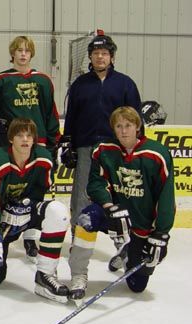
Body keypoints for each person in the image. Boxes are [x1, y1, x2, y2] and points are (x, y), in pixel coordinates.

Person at [67, 106, 175, 300]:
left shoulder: (157, 154)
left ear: (137, 127)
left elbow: (166, 197)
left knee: (137, 286)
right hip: (114, 216)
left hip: (141, 225)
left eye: (128, 125)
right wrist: (109, 206)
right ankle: (78, 275)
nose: (123, 130)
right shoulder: (104, 150)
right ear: (113, 129)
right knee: (86, 219)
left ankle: (126, 251)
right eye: (118, 126)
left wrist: (161, 233)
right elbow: (95, 184)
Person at [0, 118, 70, 304]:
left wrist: (26, 205)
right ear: (11, 138)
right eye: (19, 135)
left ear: (34, 139)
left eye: (29, 135)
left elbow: (39, 192)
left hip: (25, 213)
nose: (25, 139)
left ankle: (45, 276)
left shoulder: (43, 159)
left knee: (58, 212)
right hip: (2, 220)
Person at [0, 35, 61, 260]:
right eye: (19, 50)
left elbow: (50, 113)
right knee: (9, 189)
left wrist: (54, 141)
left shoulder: (43, 80)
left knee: (36, 190)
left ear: (31, 54)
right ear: (12, 53)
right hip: (10, 146)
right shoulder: (0, 80)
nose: (23, 54)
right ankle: (2, 229)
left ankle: (30, 236)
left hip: (38, 145)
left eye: (27, 50)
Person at [61, 31, 141, 233]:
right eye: (96, 52)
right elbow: (71, 116)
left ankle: (124, 242)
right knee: (82, 193)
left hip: (114, 148)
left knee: (120, 192)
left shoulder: (125, 83)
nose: (100, 56)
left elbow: (134, 118)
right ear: (90, 56)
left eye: (104, 53)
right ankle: (79, 236)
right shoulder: (80, 84)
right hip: (86, 146)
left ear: (112, 57)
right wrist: (67, 141)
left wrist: (135, 144)